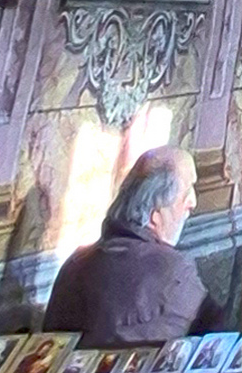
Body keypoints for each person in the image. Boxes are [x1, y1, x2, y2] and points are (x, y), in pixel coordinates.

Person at [44, 143, 209, 350]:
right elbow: (216, 344)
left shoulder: (74, 264)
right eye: (187, 192)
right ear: (155, 213)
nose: (192, 203)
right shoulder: (175, 271)